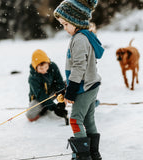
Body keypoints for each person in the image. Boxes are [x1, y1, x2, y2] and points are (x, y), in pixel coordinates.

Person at [54, 0, 104, 159]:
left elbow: (79, 67)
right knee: (88, 120)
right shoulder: (84, 36)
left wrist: (72, 90)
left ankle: (83, 156)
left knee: (75, 119)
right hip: (91, 85)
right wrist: (68, 86)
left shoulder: (80, 39)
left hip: (84, 87)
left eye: (65, 24)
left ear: (75, 21)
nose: (64, 28)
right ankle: (93, 154)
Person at [26, 49, 68, 125]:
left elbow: (59, 83)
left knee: (70, 84)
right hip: (39, 98)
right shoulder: (33, 78)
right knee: (30, 115)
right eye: (41, 68)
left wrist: (61, 102)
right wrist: (55, 108)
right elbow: (41, 95)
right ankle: (44, 108)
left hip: (52, 92)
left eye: (46, 67)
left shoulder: (53, 67)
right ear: (36, 67)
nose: (44, 70)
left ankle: (81, 104)